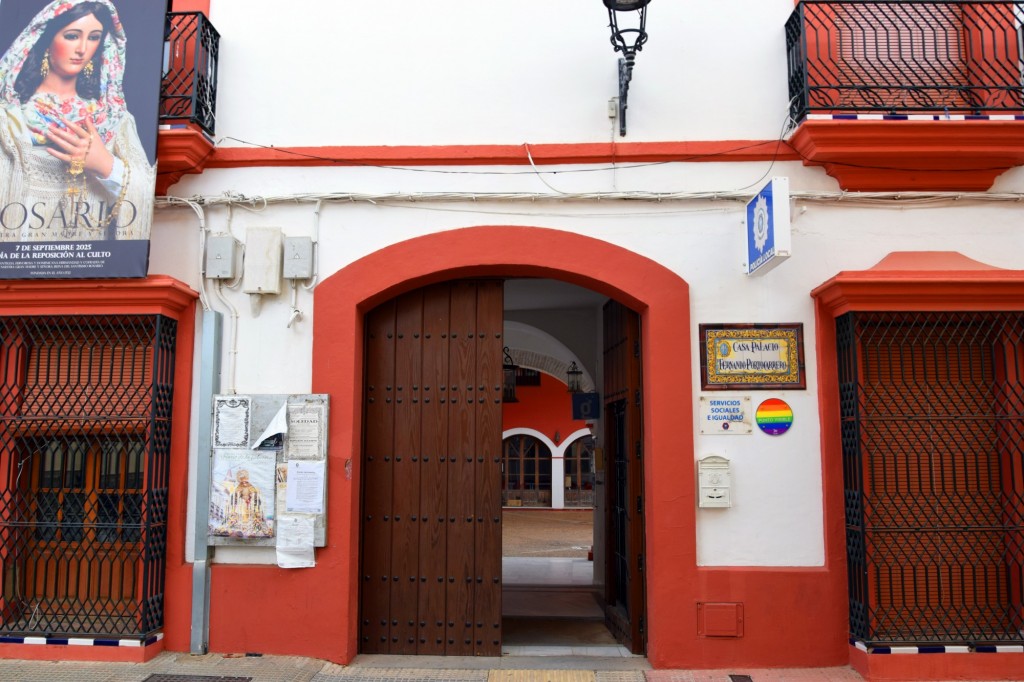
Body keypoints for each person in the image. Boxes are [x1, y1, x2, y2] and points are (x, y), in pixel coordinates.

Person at [0, 0, 154, 242]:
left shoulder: (113, 117)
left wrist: (106, 165)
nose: (83, 48)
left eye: (94, 37)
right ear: (46, 38)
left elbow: (146, 195)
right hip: (13, 266)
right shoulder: (8, 116)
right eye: (72, 36)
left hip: (85, 268)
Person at [214, 469, 273, 538]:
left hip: (251, 508)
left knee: (255, 519)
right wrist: (234, 509)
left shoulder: (252, 487)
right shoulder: (238, 488)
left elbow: (257, 499)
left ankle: (253, 530)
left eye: (246, 482)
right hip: (241, 508)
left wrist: (253, 502)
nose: (244, 484)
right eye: (242, 482)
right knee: (235, 519)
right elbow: (234, 500)